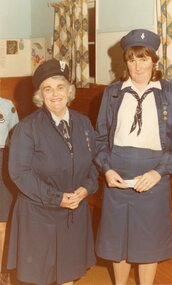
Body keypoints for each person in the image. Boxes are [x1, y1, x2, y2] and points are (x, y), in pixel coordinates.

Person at [7, 59, 98, 285]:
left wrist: (86, 189)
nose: (55, 94)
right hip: (39, 215)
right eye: (48, 88)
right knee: (41, 278)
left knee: (68, 275)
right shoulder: (26, 129)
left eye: (60, 87)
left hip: (74, 214)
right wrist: (57, 198)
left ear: (69, 90)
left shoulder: (84, 123)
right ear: (40, 95)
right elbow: (19, 173)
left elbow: (94, 164)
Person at [94, 29, 172, 285]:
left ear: (154, 60)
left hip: (153, 180)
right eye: (132, 59)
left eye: (143, 58)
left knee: (147, 243)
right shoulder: (113, 93)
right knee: (119, 242)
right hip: (117, 179)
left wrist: (158, 172)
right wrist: (106, 169)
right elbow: (99, 138)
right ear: (125, 62)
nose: (138, 66)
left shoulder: (168, 93)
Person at [0, 97, 18, 285]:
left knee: (2, 223)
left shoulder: (7, 106)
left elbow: (16, 137)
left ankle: (2, 271)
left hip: (2, 160)